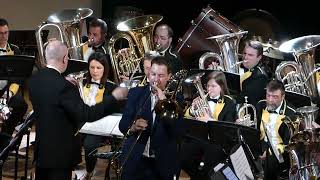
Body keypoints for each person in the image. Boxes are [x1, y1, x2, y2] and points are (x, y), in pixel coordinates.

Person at [28, 40, 128, 180]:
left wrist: (62, 80)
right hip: (60, 155)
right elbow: (86, 114)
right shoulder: (65, 87)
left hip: (42, 152)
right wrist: (114, 97)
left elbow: (51, 101)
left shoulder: (34, 80)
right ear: (64, 58)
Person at [118, 56, 184, 179]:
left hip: (162, 163)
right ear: (148, 74)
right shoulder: (135, 93)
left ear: (169, 76)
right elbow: (123, 125)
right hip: (136, 160)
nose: (156, 79)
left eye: (161, 75)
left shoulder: (177, 99)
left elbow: (178, 131)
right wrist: (133, 126)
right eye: (153, 74)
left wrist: (164, 103)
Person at [182, 71, 236, 179]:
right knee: (183, 153)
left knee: (211, 155)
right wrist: (193, 110)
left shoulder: (229, 103)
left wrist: (209, 120)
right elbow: (186, 117)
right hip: (199, 137)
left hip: (217, 142)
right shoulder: (201, 98)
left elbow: (227, 128)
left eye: (213, 86)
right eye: (208, 86)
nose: (209, 89)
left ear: (221, 86)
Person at [78, 52, 122, 180]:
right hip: (80, 122)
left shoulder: (111, 87)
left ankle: (89, 171)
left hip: (97, 126)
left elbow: (111, 109)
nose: (95, 71)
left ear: (105, 69)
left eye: (98, 68)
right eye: (92, 67)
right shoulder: (80, 83)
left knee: (90, 145)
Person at [256, 79, 295, 180]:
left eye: (275, 97)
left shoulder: (291, 115)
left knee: (271, 160)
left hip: (281, 154)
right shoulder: (261, 105)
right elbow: (257, 131)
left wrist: (269, 152)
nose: (270, 100)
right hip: (263, 146)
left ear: (283, 97)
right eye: (268, 95)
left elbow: (288, 145)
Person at [0, 18, 27, 137]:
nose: (3, 36)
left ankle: (6, 136)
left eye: (6, 33)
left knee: (21, 105)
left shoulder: (15, 50)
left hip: (8, 90)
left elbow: (18, 77)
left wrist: (9, 93)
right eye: (0, 33)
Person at [237, 40, 268, 107]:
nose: (245, 57)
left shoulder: (261, 76)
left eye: (250, 55)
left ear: (259, 58)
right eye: (245, 53)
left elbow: (243, 98)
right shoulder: (239, 66)